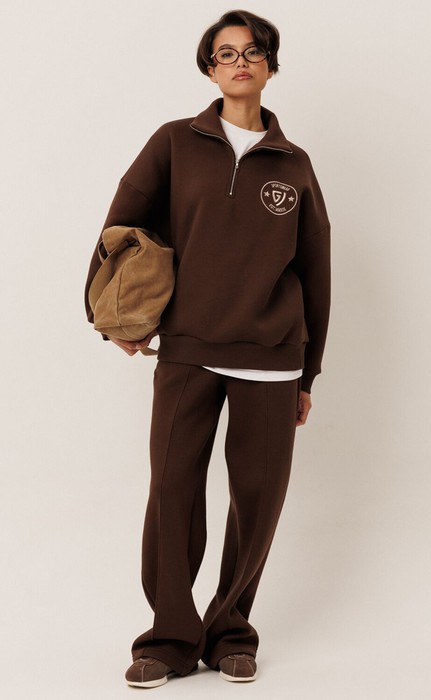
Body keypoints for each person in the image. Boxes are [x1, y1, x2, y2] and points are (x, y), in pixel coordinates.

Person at [84, 8, 331, 689]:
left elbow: (316, 271)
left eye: (253, 52)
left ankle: (230, 632)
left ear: (270, 67)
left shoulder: (294, 165)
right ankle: (168, 639)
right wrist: (110, 317)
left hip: (273, 358)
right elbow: (119, 228)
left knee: (258, 501)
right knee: (172, 493)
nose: (239, 61)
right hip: (187, 349)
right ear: (209, 68)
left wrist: (308, 374)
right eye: (226, 53)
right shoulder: (174, 143)